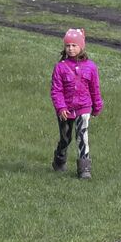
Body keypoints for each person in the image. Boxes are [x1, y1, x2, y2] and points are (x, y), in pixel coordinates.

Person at [49, 28, 103, 180]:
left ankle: (84, 169)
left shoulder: (91, 67)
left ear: (81, 46)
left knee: (82, 136)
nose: (71, 49)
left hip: (83, 107)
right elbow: (56, 90)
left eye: (74, 45)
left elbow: (95, 88)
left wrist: (97, 105)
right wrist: (61, 107)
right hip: (65, 109)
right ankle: (59, 160)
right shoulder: (60, 67)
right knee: (66, 138)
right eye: (68, 46)